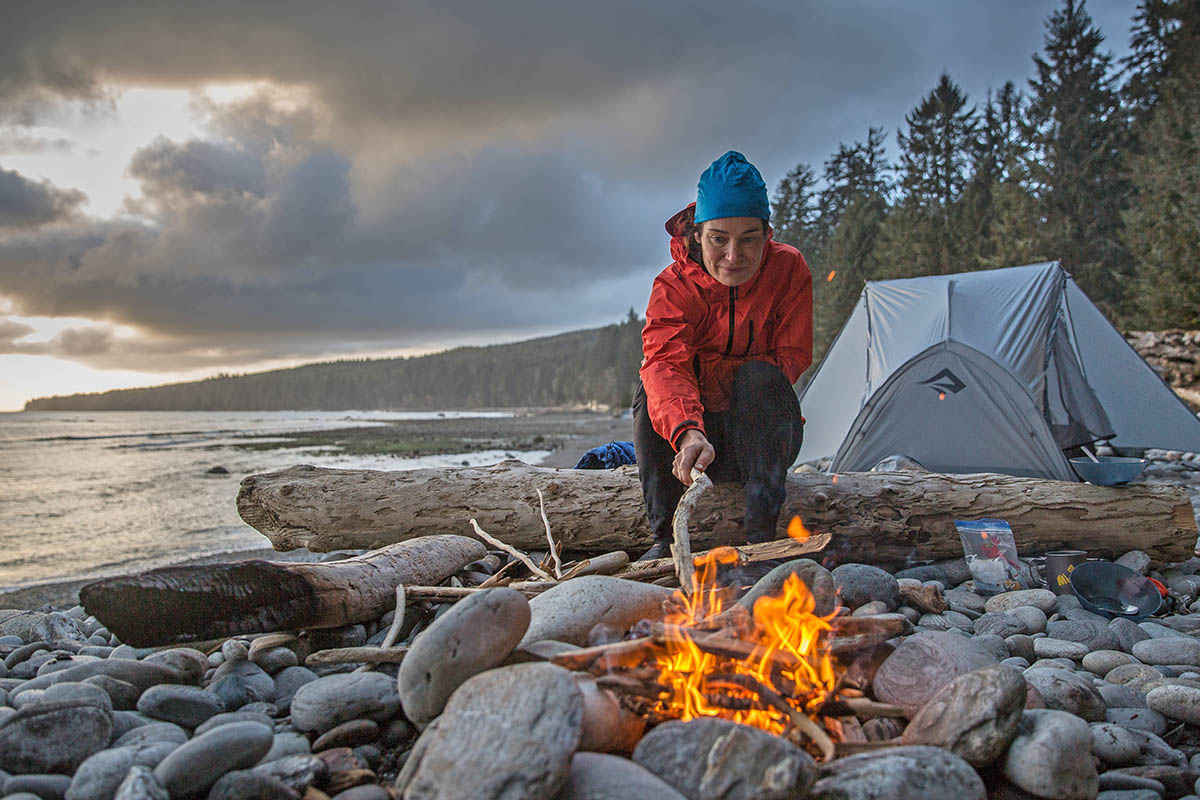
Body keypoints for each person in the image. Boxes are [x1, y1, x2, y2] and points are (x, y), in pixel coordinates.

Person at [633, 151, 813, 561]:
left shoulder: (789, 269)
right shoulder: (673, 286)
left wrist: (731, 383)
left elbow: (792, 356)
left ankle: (760, 537)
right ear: (697, 234)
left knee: (761, 377)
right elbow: (664, 364)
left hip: (762, 439)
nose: (734, 256)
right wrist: (689, 429)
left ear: (767, 234)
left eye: (749, 238)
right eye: (719, 239)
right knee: (649, 391)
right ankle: (665, 540)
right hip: (694, 449)